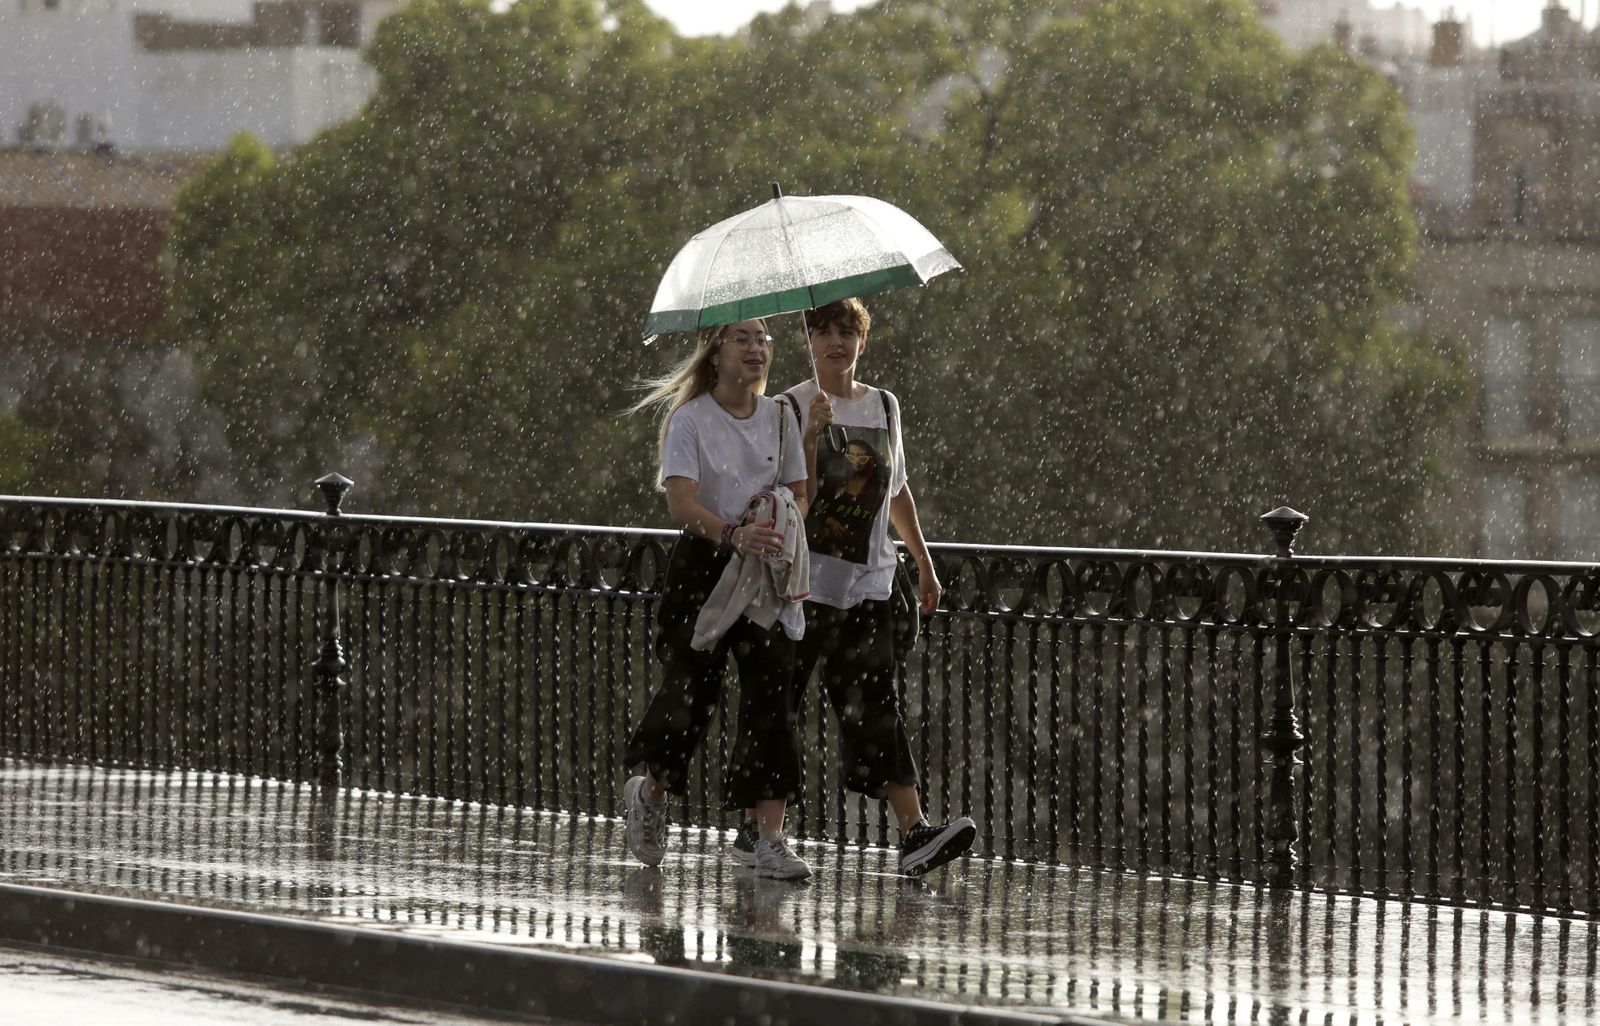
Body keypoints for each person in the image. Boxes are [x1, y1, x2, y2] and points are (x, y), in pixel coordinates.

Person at [734, 298, 976, 877]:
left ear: (861, 343)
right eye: (823, 332)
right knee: (779, 708)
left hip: (867, 585)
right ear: (809, 342)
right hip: (801, 587)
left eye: (846, 332)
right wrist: (812, 438)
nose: (835, 343)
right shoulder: (788, 407)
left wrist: (922, 561)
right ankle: (762, 836)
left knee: (875, 707)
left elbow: (895, 491)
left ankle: (915, 834)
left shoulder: (885, 407)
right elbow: (794, 499)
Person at [621, 319, 814, 880]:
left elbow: (802, 494)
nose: (757, 349)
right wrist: (734, 532)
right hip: (706, 569)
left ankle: (769, 838)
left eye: (764, 340)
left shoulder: (782, 416)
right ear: (715, 353)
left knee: (772, 698)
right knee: (692, 696)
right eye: (743, 340)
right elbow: (681, 505)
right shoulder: (691, 419)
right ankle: (651, 794)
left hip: (767, 570)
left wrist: (780, 517)